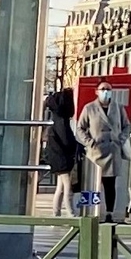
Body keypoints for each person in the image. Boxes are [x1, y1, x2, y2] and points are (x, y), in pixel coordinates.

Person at [76, 81, 131, 221]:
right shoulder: (89, 108)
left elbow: (127, 126)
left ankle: (109, 213)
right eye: (103, 89)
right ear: (97, 91)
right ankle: (91, 212)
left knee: (110, 185)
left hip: (112, 151)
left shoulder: (118, 108)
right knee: (93, 184)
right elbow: (80, 128)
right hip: (96, 152)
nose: (106, 92)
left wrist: (121, 139)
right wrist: (90, 142)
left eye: (108, 89)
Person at [41, 86, 80, 216]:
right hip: (62, 157)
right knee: (67, 186)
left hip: (56, 156)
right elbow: (66, 139)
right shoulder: (63, 121)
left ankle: (56, 213)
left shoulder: (55, 119)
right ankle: (71, 213)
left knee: (61, 186)